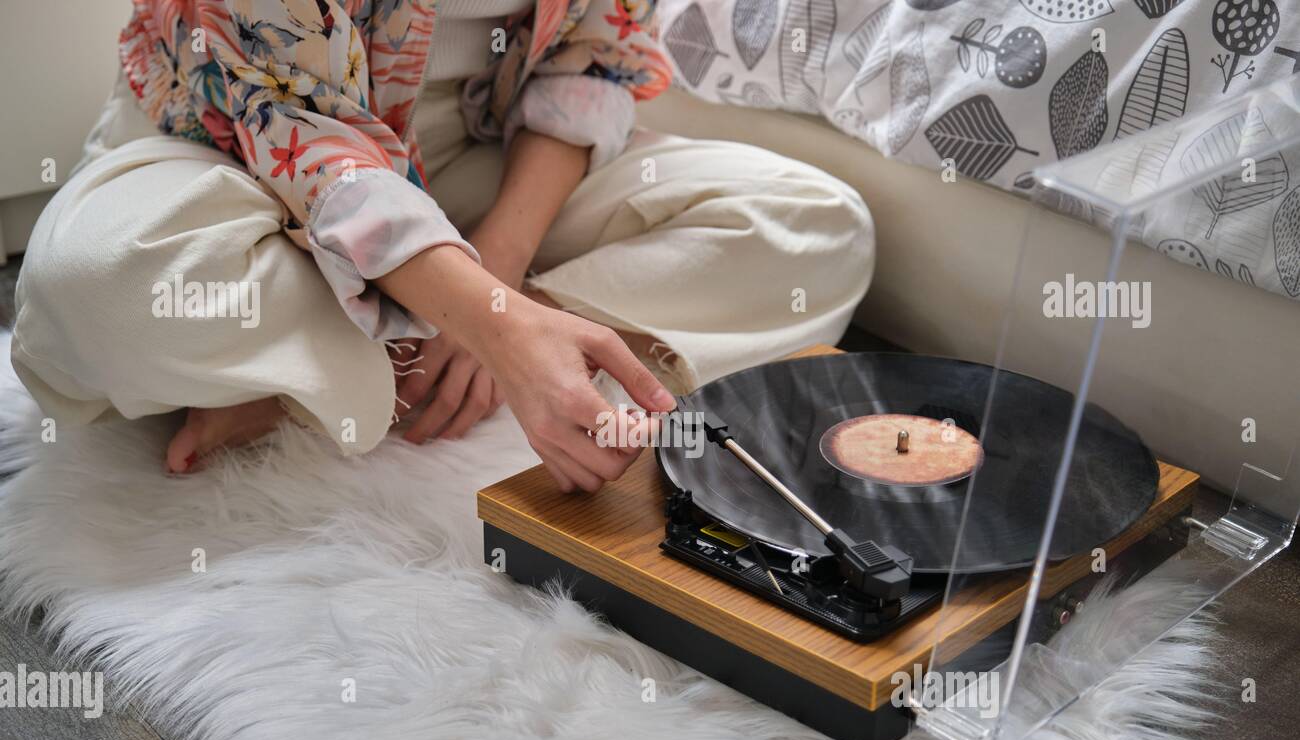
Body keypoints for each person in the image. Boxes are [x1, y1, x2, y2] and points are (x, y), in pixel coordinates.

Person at [12, 0, 874, 492]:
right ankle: (439, 345)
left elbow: (590, 64)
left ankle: (321, 367)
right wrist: (487, 317)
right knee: (101, 284)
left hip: (467, 151)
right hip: (231, 154)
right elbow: (300, 133)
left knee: (814, 225)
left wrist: (497, 280)